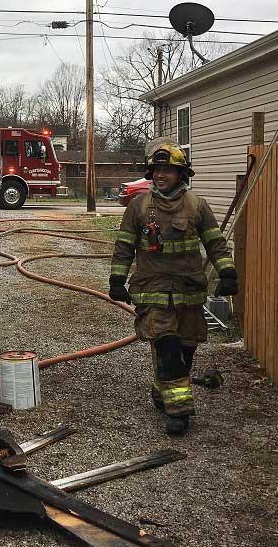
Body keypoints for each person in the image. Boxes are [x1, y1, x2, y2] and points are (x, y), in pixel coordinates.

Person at [108, 142, 237, 435]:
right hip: (153, 290)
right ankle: (179, 412)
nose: (161, 175)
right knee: (166, 347)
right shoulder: (138, 207)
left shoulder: (196, 205)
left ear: (181, 173)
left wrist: (227, 272)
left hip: (188, 291)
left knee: (185, 350)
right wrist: (117, 280)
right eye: (157, 170)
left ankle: (161, 387)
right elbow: (124, 246)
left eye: (168, 170)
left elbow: (215, 243)